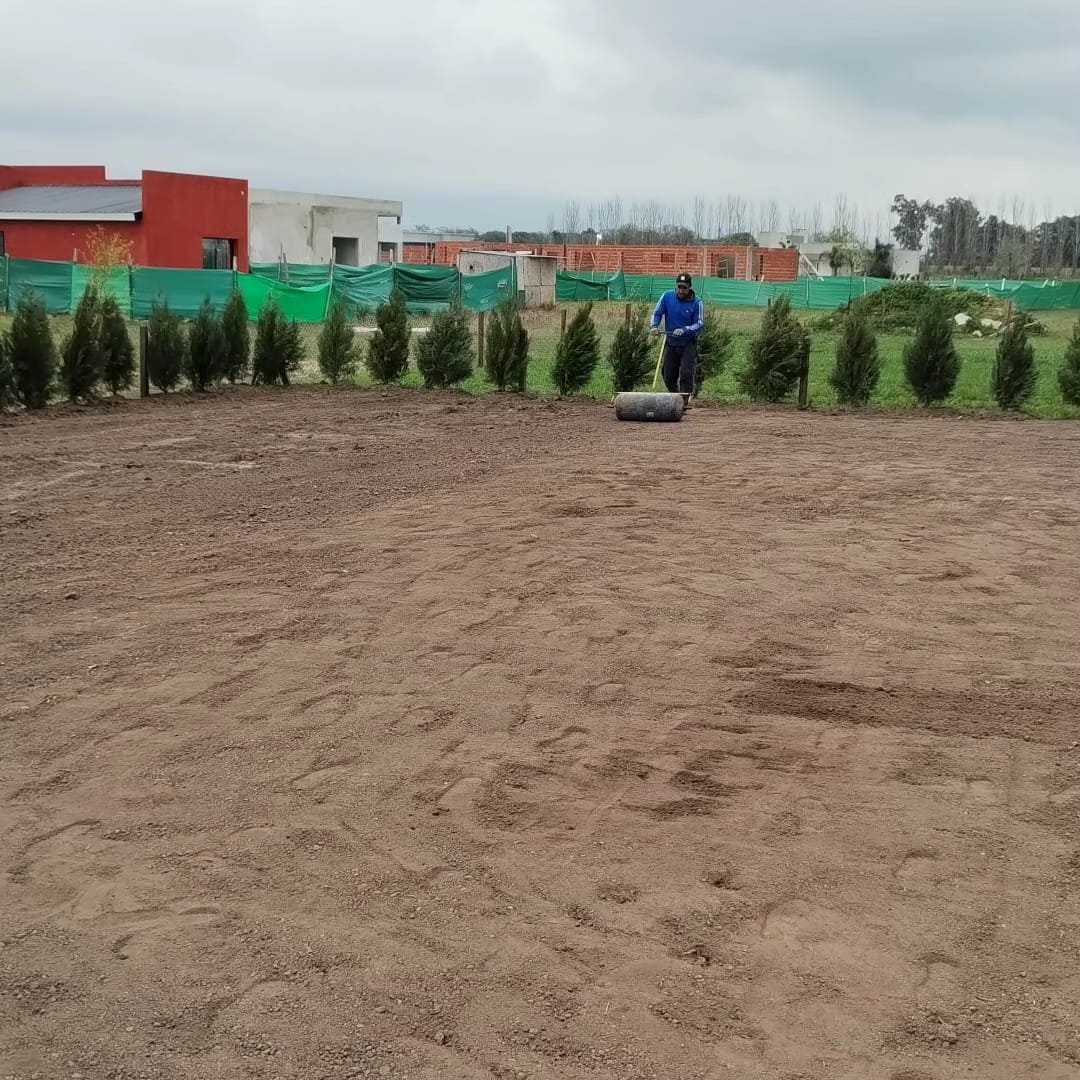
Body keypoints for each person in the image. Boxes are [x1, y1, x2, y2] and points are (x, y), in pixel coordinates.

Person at [650, 273, 704, 407]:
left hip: (687, 343)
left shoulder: (697, 303)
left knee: (686, 373)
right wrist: (654, 326)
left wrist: (685, 330)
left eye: (684, 288)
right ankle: (676, 397)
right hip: (671, 342)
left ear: (689, 288)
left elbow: (700, 323)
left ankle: (684, 401)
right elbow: (657, 313)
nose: (681, 290)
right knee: (668, 374)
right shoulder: (667, 296)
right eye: (679, 287)